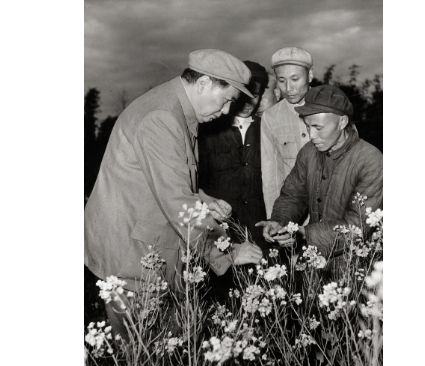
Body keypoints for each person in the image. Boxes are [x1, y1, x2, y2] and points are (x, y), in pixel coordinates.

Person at [85, 49, 263, 334]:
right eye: (227, 99)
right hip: (132, 256)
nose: (227, 111)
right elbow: (177, 200)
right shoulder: (163, 117)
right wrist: (225, 251)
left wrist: (204, 200)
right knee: (143, 359)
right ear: (204, 83)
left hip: (143, 245)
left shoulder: (173, 108)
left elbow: (165, 179)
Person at [256, 85, 383, 262]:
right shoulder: (308, 152)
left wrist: (304, 234)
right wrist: (280, 221)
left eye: (318, 127)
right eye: (308, 127)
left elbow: (357, 226)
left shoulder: (371, 160)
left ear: (342, 122)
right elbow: (293, 195)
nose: (311, 135)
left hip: (356, 266)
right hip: (315, 263)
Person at [198, 61, 269, 301]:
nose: (250, 102)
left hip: (262, 236)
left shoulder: (268, 129)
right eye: (244, 95)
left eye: (256, 95)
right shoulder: (207, 129)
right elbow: (191, 184)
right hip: (220, 237)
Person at [260, 47, 314, 219]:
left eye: (295, 79)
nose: (289, 88)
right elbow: (271, 176)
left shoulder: (332, 107)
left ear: (310, 76)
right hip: (293, 216)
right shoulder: (270, 117)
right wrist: (276, 221)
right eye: (282, 81)